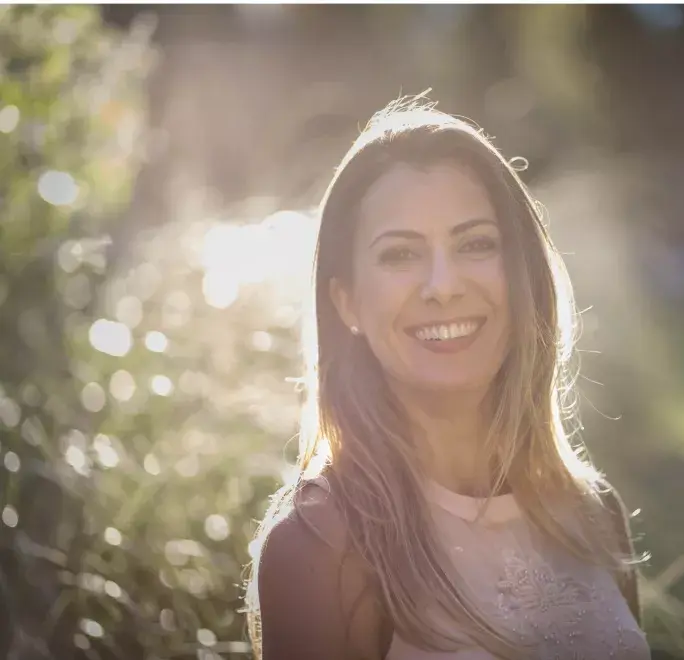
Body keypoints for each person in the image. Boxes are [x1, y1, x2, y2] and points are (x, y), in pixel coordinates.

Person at [244, 95, 651, 660]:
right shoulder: (320, 548)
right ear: (347, 303)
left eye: (476, 244)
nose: (443, 285)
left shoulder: (592, 512)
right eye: (400, 254)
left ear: (522, 275)